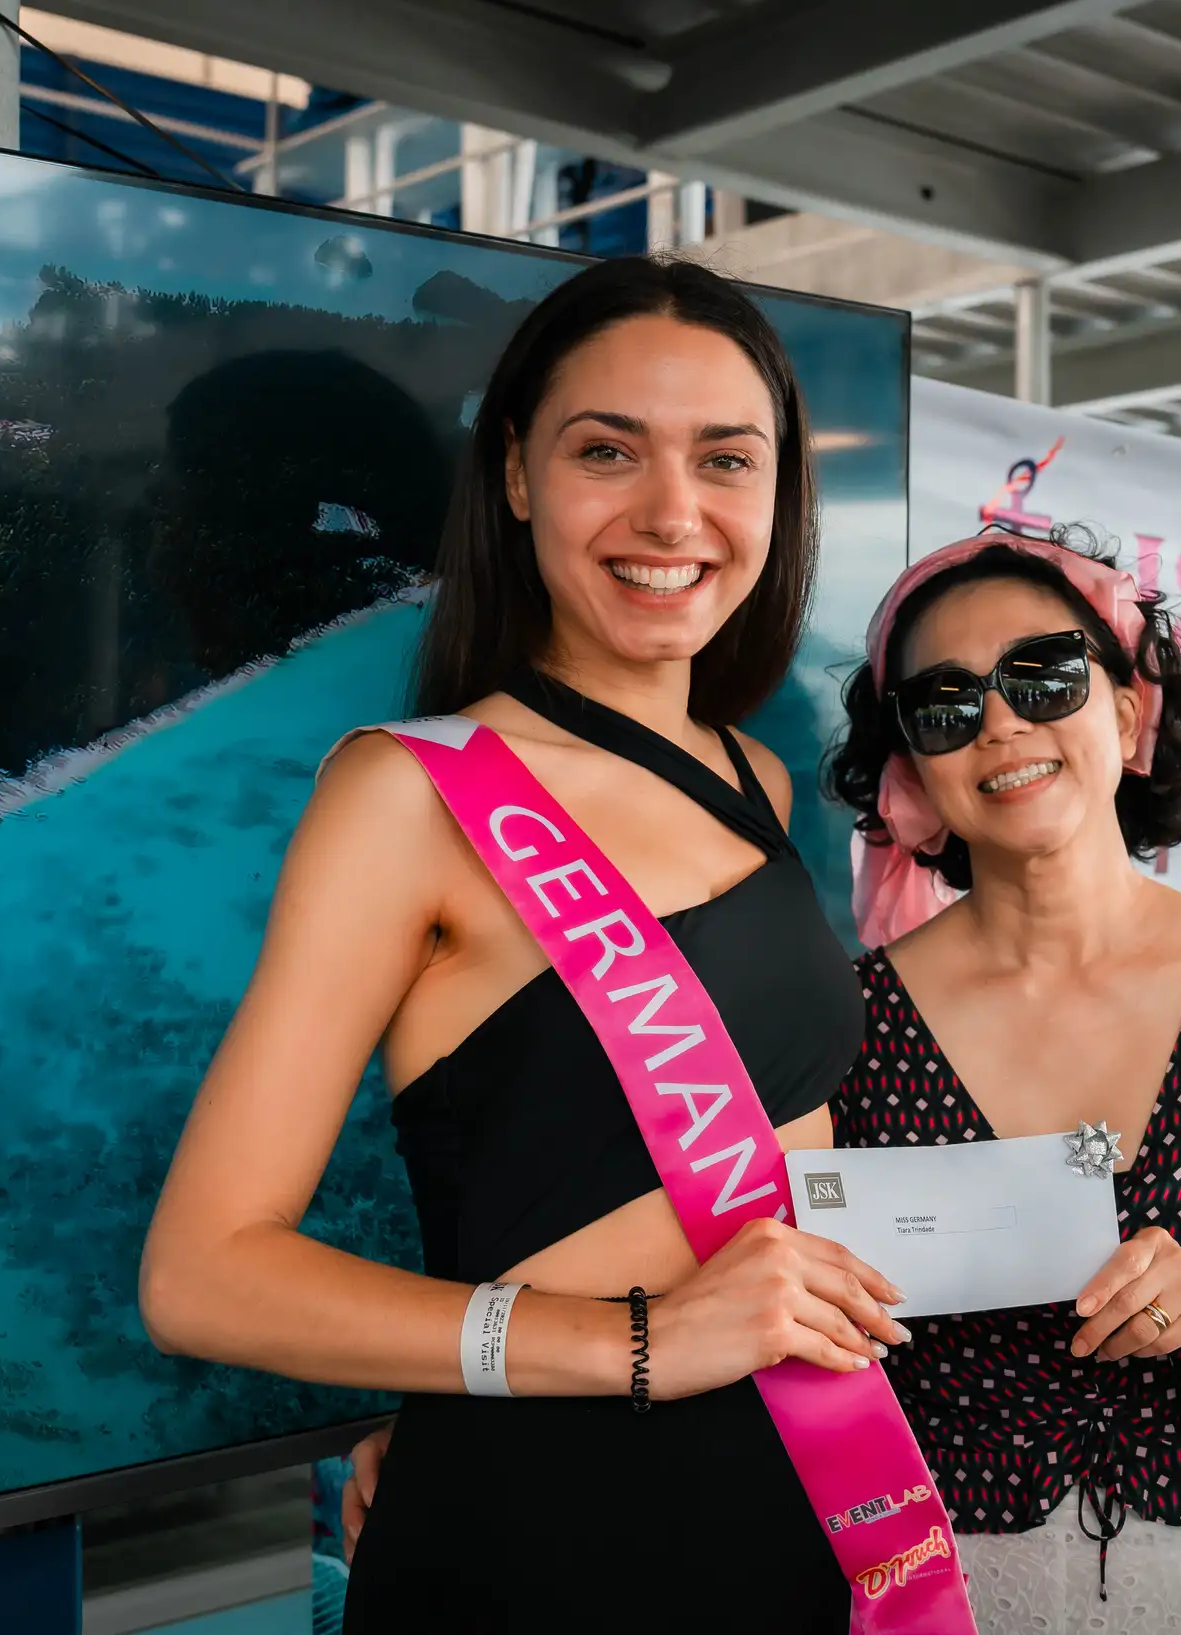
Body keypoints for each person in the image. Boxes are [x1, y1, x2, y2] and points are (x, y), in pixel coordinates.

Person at [343, 528, 1181, 1630]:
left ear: (1124, 710)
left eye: (1043, 674)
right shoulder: (847, 1023)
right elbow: (713, 1283)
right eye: (944, 703)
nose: (1000, 721)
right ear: (912, 775)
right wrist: (476, 1414)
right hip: (920, 1585)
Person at [138, 256, 910, 1633]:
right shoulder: (406, 795)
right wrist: (637, 1340)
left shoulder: (756, 778)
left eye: (725, 459)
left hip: (788, 1496)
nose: (671, 512)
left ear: (778, 492)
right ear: (514, 474)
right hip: (539, 1535)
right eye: (606, 450)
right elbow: (202, 1274)